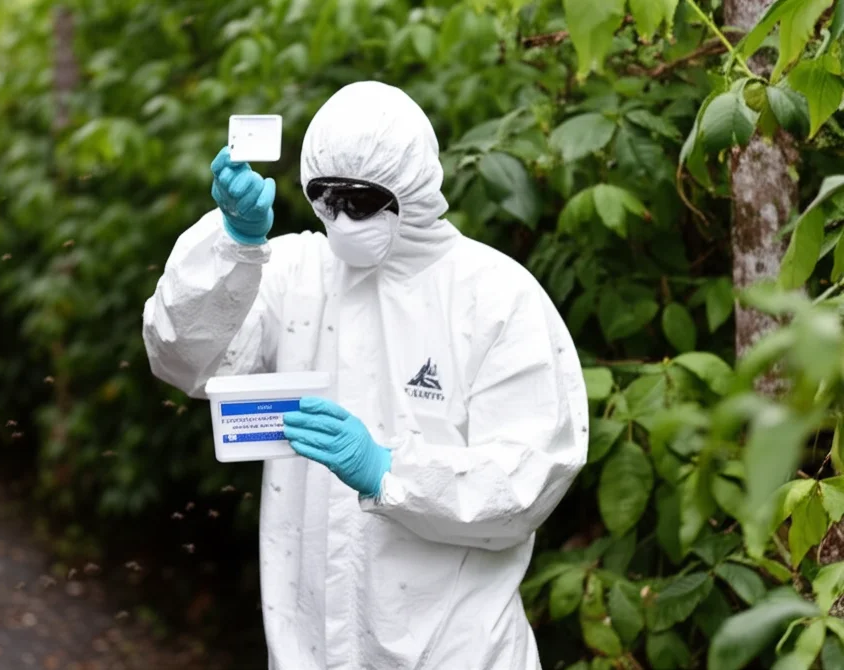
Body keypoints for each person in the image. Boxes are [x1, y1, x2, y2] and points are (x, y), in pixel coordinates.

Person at [142, 81, 588, 670]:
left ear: (412, 191)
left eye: (359, 200)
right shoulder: (296, 271)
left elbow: (527, 481)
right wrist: (234, 244)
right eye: (325, 200)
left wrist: (389, 470)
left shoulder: (493, 296)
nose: (341, 218)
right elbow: (182, 356)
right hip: (308, 651)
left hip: (459, 654)